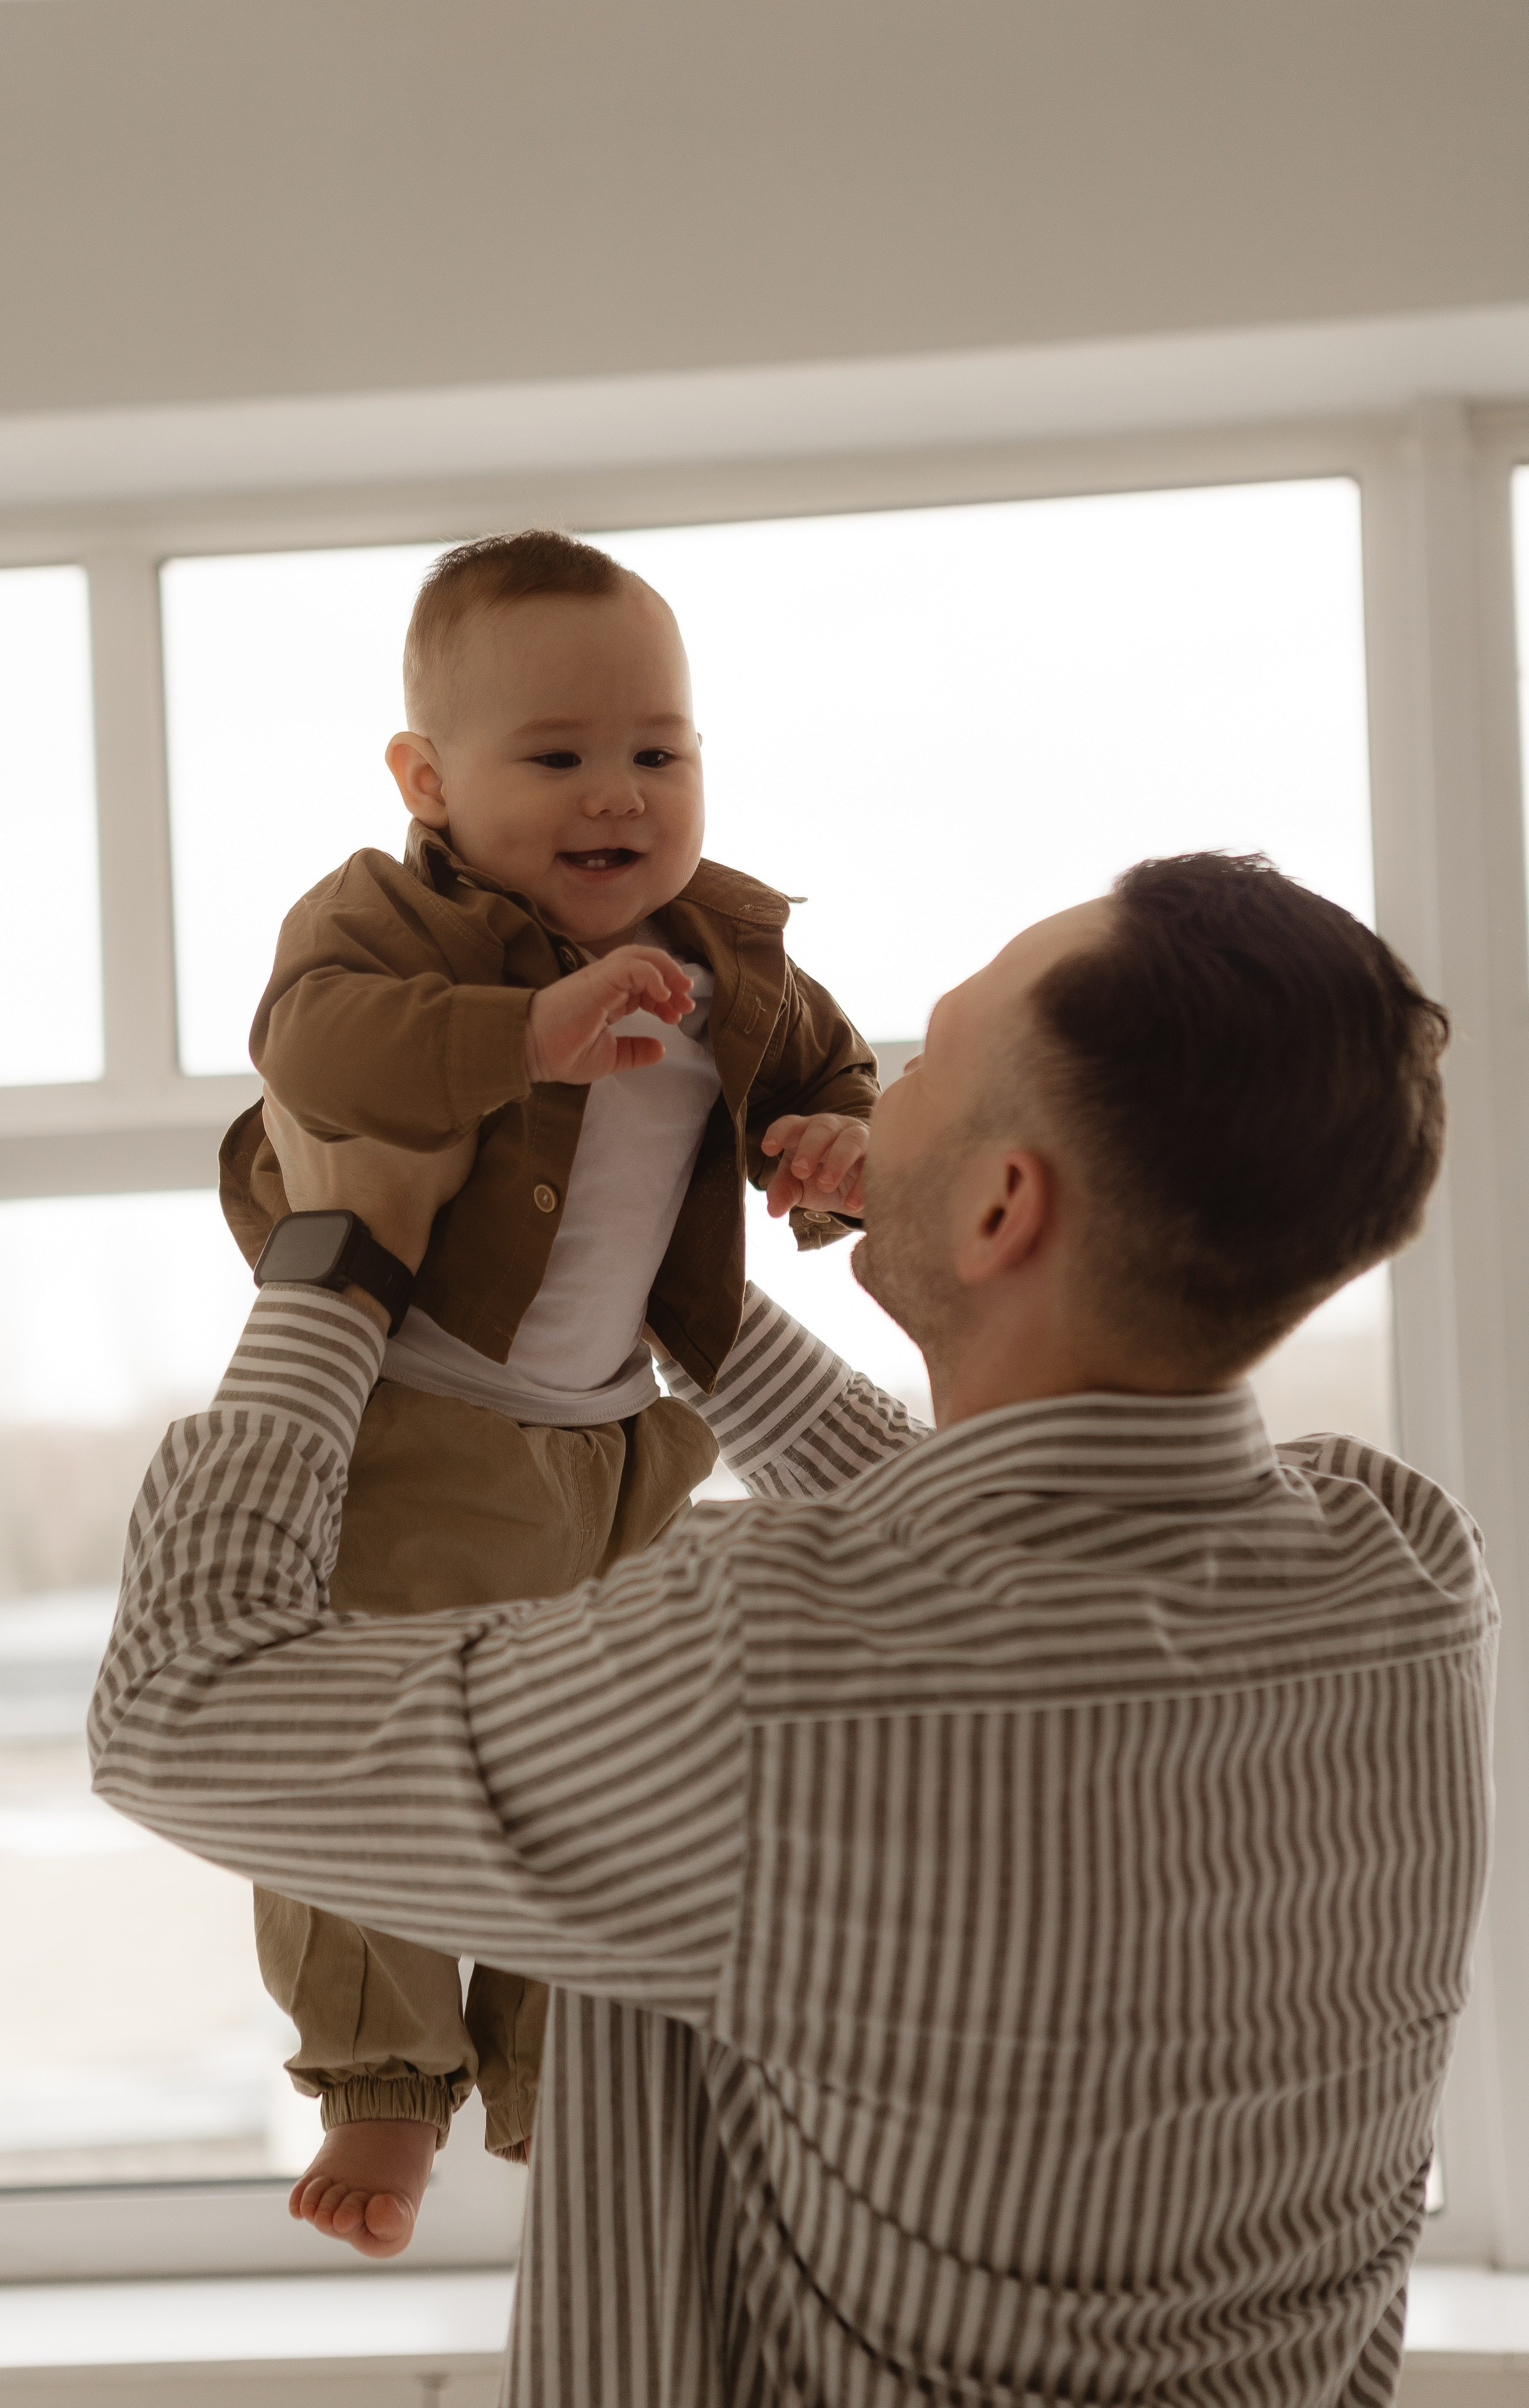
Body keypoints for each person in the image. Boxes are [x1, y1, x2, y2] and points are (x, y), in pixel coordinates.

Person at [90, 854, 1494, 2408]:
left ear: (998, 1204)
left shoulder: (762, 1670)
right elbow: (999, 1561)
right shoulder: (1402, 1579)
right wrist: (668, 1297)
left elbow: (179, 1709)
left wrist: (336, 1260)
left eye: (932, 1057)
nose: (869, 1096)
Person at [214, 527, 877, 2231]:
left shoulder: (731, 947)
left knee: (595, 1781)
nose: (621, 796)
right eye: (560, 756)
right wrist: (525, 1033)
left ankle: (551, 2082)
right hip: (427, 1420)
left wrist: (830, 1139)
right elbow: (311, 1042)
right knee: (370, 1759)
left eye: (659, 752)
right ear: (429, 778)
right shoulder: (387, 914)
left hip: (626, 1451)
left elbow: (830, 1069)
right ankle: (379, 2087)